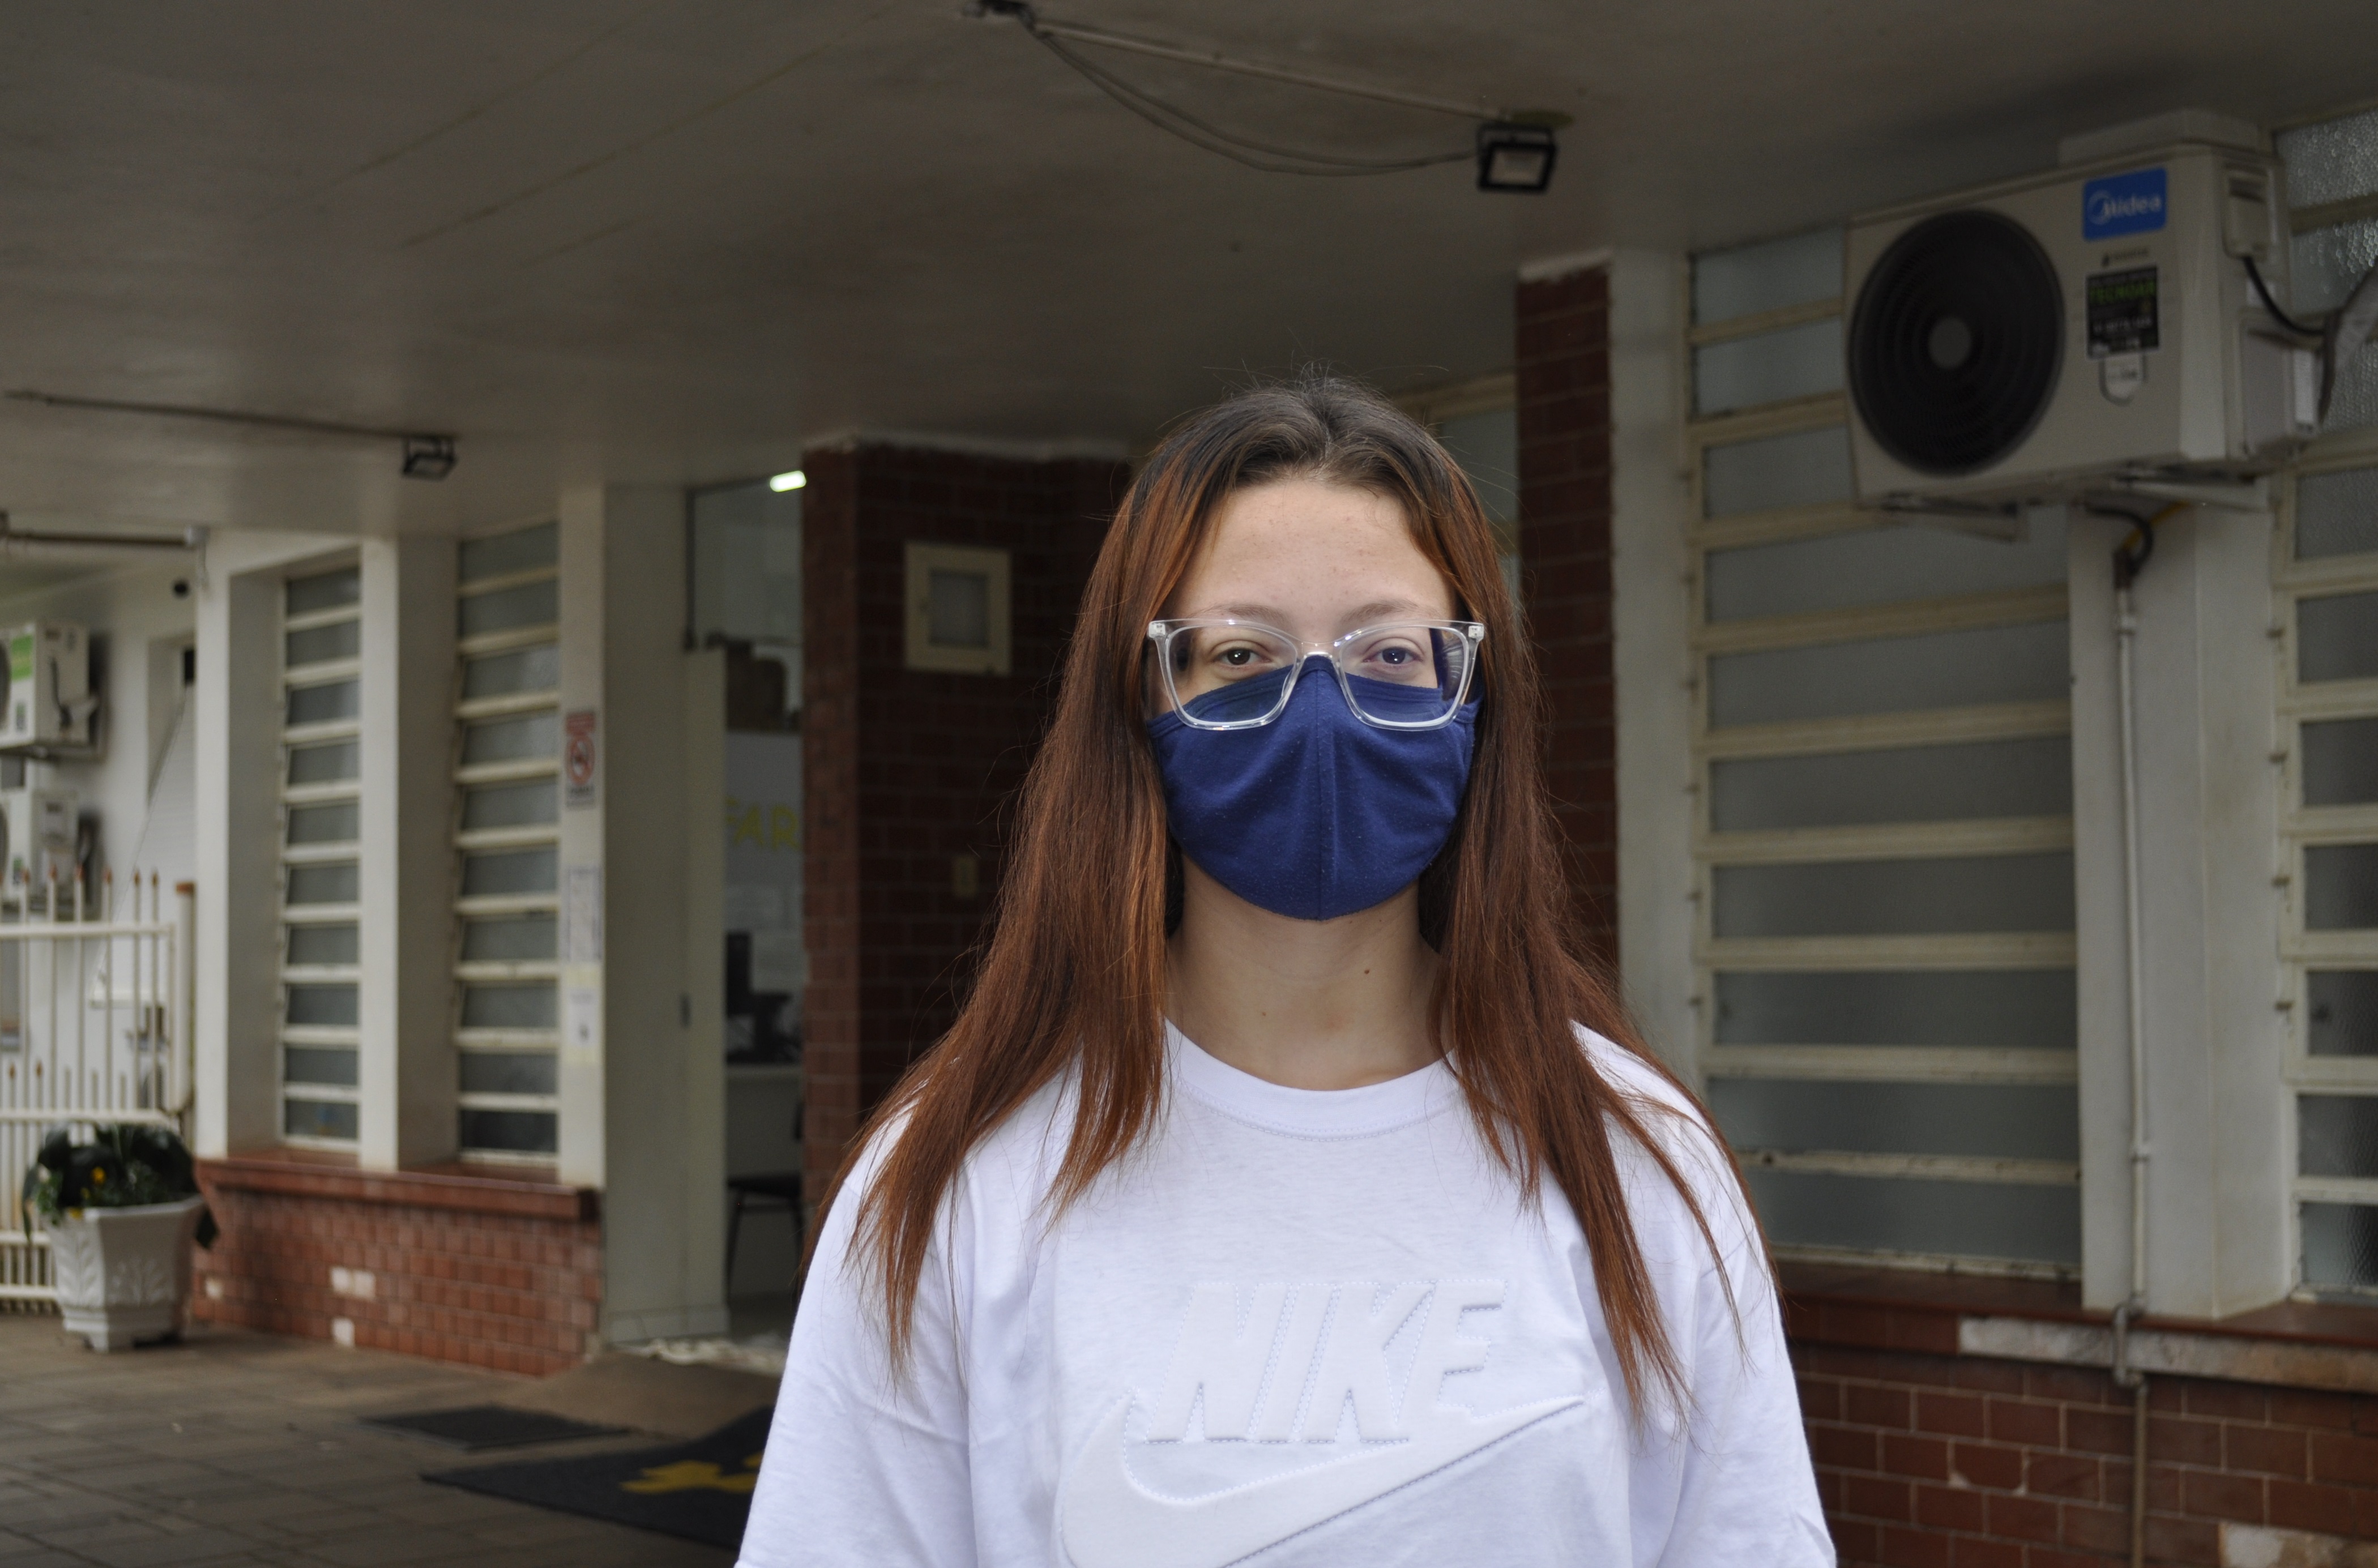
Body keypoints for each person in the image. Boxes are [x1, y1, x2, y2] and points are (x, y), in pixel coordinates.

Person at [738, 375, 1832, 1567]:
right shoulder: (959, 1181)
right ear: (1140, 697)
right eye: (1241, 652)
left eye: (1390, 650)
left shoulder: (1635, 1163)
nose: (1319, 708)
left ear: (1475, 693)